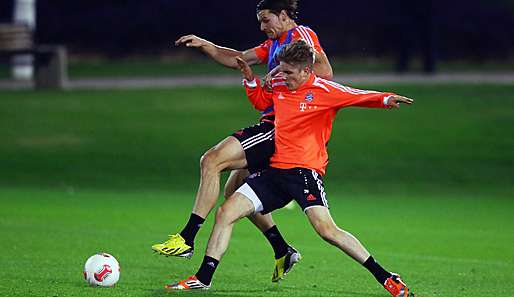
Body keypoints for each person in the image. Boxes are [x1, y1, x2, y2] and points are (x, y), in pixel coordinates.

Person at [166, 40, 414, 297]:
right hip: (275, 172)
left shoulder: (324, 89)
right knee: (226, 212)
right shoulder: (281, 84)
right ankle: (203, 278)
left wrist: (385, 99)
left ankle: (386, 277)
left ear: (307, 71)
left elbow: (357, 95)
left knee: (326, 231)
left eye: (289, 72)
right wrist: (251, 80)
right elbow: (263, 102)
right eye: (281, 70)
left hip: (304, 173)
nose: (282, 76)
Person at [152, 0, 333, 282]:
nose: (262, 26)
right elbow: (239, 57)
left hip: (279, 126)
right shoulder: (274, 44)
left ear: (284, 15)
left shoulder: (301, 37)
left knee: (212, 159)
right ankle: (282, 249)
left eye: (265, 20)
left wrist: (278, 78)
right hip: (272, 122)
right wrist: (207, 46)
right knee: (234, 194)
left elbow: (325, 73)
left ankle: (187, 238)